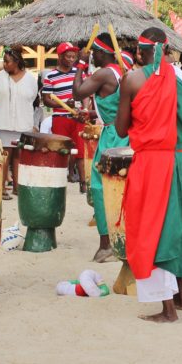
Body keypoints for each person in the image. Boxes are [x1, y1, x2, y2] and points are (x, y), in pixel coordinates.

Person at [116, 27, 182, 322]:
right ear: (166, 50)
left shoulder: (132, 79)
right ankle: (180, 297)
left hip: (153, 165)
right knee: (178, 228)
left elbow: (120, 129)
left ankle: (168, 310)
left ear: (142, 52)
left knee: (154, 232)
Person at [72, 33, 129, 262]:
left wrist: (81, 63)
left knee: (100, 187)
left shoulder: (104, 73)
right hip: (122, 132)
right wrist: (93, 113)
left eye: (94, 51)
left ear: (103, 52)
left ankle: (107, 244)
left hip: (114, 137)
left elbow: (77, 92)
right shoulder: (119, 72)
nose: (92, 54)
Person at [0, 46, 40, 197]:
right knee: (4, 155)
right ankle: (1, 188)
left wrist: (34, 124)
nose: (4, 65)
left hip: (22, 123)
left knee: (19, 156)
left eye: (8, 62)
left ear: (17, 62)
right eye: (4, 61)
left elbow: (32, 99)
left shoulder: (30, 79)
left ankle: (17, 188)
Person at [43, 42, 86, 183]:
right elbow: (47, 100)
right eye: (68, 56)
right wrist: (63, 105)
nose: (71, 59)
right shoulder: (50, 76)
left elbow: (85, 93)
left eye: (73, 57)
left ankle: (81, 180)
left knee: (79, 149)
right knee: (62, 149)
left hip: (77, 116)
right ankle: (62, 176)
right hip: (60, 117)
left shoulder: (78, 73)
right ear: (60, 56)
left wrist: (84, 109)